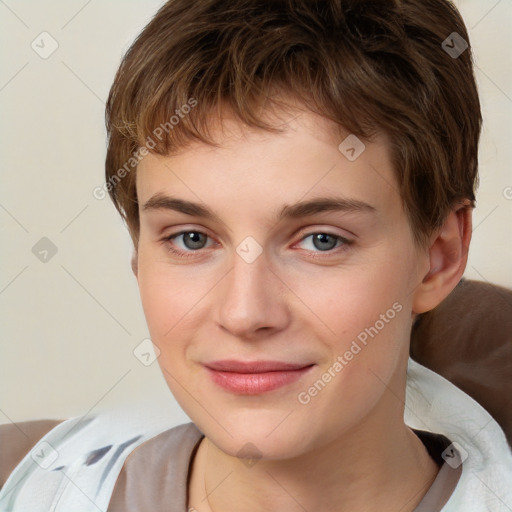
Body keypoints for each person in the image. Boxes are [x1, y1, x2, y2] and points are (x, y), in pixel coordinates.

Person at [1, 0, 511, 510]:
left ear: (439, 257)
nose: (244, 314)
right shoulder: (24, 481)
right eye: (192, 238)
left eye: (321, 240)